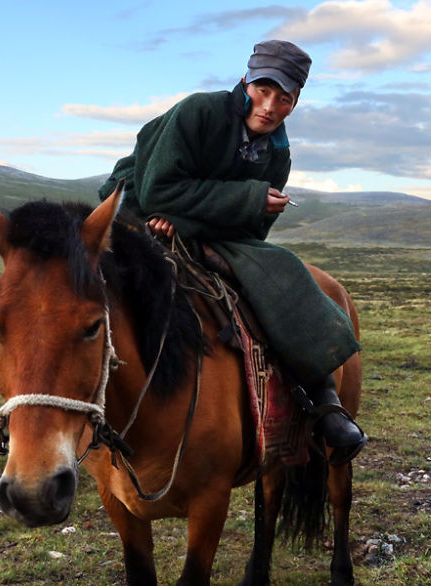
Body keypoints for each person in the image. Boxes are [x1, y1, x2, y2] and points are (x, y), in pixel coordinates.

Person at [99, 40, 366, 466]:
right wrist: (248, 196)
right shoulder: (198, 111)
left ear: (294, 104)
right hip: (139, 212)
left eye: (284, 99)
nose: (270, 106)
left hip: (205, 230)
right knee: (90, 286)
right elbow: (158, 188)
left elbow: (254, 229)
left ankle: (323, 398)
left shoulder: (278, 152)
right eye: (264, 90)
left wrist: (198, 218)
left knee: (283, 271)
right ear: (245, 82)